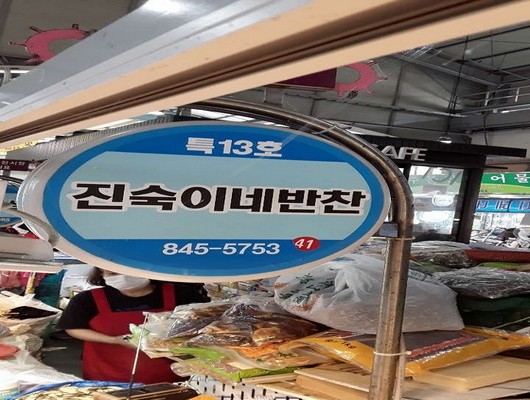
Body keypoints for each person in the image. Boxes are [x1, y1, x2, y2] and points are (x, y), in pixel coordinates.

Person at [56, 268, 209, 383]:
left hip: (173, 374)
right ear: (101, 275)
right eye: (113, 273)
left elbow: (206, 323)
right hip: (107, 374)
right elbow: (73, 328)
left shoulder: (182, 294)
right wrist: (114, 340)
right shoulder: (87, 299)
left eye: (129, 270)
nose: (123, 276)